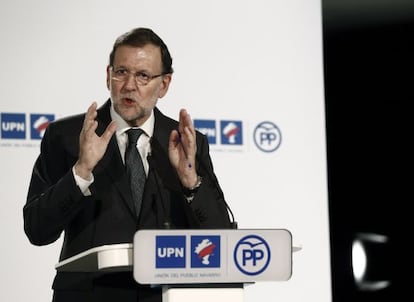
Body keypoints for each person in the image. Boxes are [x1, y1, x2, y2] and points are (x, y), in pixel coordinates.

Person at [23, 27, 234, 302]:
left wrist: (191, 183)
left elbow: (219, 240)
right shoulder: (67, 136)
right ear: (108, 75)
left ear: (165, 84)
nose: (129, 85)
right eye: (121, 72)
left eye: (143, 75)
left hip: (165, 296)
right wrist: (81, 172)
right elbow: (37, 230)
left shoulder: (186, 142)